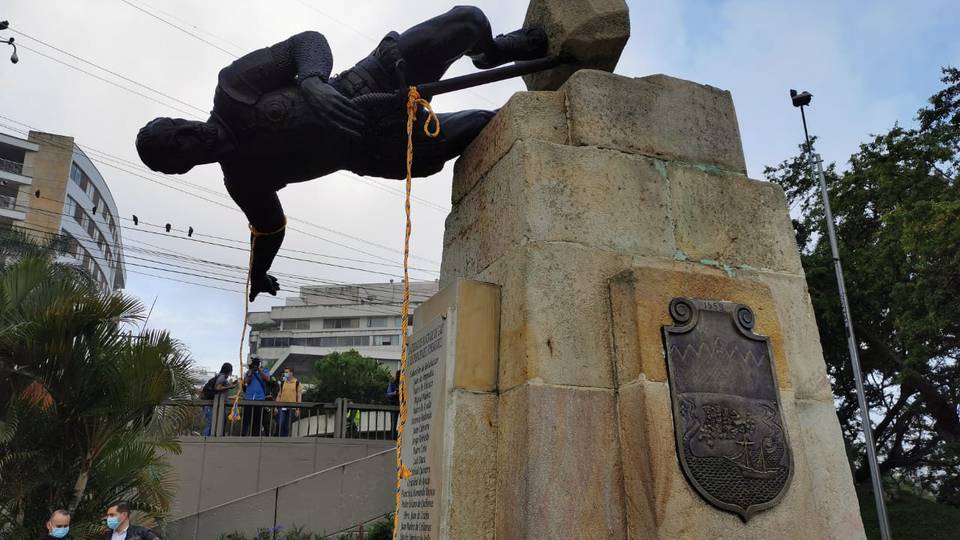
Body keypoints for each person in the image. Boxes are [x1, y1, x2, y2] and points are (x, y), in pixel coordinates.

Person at [135, 6, 547, 302]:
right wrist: (257, 274)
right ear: (182, 167)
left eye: (178, 134)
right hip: (375, 148)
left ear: (180, 122)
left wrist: (312, 81)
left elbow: (306, 42)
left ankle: (493, 52)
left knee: (468, 23)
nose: (189, 141)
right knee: (488, 125)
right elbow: (270, 227)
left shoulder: (233, 89)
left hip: (370, 77)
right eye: (179, 154)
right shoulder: (243, 179)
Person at [201, 362, 237, 436]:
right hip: (211, 405)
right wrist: (230, 387)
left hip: (213, 405)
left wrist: (231, 396)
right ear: (229, 371)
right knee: (210, 424)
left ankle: (208, 441)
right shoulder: (222, 377)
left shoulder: (220, 377)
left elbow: (219, 394)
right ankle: (205, 441)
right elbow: (217, 388)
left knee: (213, 424)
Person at [241, 357, 270, 436]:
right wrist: (251, 371)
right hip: (248, 399)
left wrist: (259, 370)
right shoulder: (249, 372)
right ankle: (243, 437)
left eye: (256, 364)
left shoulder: (265, 371)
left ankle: (255, 438)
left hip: (259, 399)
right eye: (254, 364)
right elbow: (246, 381)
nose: (255, 365)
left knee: (257, 421)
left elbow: (267, 379)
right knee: (246, 420)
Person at [276, 366, 302, 436]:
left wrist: (298, 409)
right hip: (282, 407)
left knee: (287, 426)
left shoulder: (297, 383)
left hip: (292, 408)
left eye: (286, 372)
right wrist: (276, 406)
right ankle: (278, 439)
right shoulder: (282, 383)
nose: (285, 374)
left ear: (291, 373)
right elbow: (279, 395)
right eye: (285, 372)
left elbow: (299, 397)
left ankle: (284, 441)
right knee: (280, 423)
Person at [386, 370, 400, 439]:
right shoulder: (392, 384)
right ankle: (393, 438)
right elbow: (388, 394)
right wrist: (395, 393)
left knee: (403, 423)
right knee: (393, 423)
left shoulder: (404, 384)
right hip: (394, 405)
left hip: (402, 405)